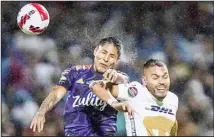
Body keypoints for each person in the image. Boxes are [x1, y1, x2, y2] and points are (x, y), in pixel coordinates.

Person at [30, 37, 130, 136]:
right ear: (95, 51)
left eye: (112, 56)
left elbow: (125, 81)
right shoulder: (74, 73)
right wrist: (41, 112)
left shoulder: (117, 79)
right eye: (103, 52)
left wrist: (118, 77)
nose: (106, 59)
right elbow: (55, 94)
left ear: (117, 61)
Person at [90, 59, 179, 136]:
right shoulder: (136, 91)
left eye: (165, 77)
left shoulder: (173, 99)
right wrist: (115, 103)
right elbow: (95, 86)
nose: (162, 82)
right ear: (145, 81)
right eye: (155, 78)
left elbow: (172, 128)